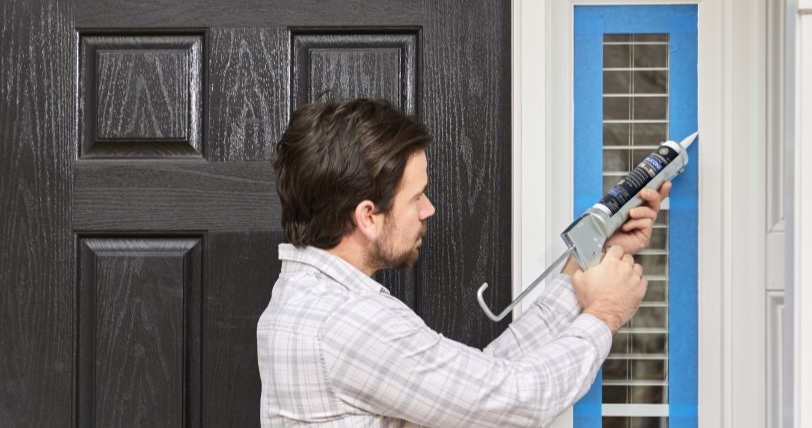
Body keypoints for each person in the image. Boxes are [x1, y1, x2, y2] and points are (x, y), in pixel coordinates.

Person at [257, 97, 670, 427]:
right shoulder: (348, 321)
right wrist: (604, 315)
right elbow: (515, 402)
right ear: (367, 216)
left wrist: (586, 259)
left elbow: (477, 387)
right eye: (416, 196)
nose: (429, 209)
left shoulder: (309, 297)